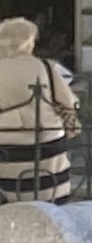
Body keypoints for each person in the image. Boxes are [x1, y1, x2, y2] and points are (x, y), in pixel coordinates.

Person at [0, 17, 77, 202]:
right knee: (51, 190)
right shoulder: (47, 66)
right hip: (48, 141)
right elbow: (69, 103)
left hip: (6, 145)